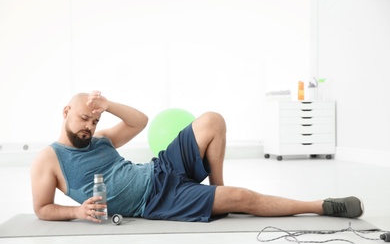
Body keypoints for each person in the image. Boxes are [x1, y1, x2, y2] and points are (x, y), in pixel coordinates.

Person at [30, 91, 364, 223]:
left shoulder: (101, 138)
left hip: (160, 169)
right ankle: (321, 205)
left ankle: (218, 191)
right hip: (156, 200)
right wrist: (77, 210)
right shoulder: (49, 159)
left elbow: (139, 122)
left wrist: (108, 105)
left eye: (94, 120)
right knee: (243, 198)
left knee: (212, 120)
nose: (89, 126)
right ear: (65, 112)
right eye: (83, 119)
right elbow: (42, 208)